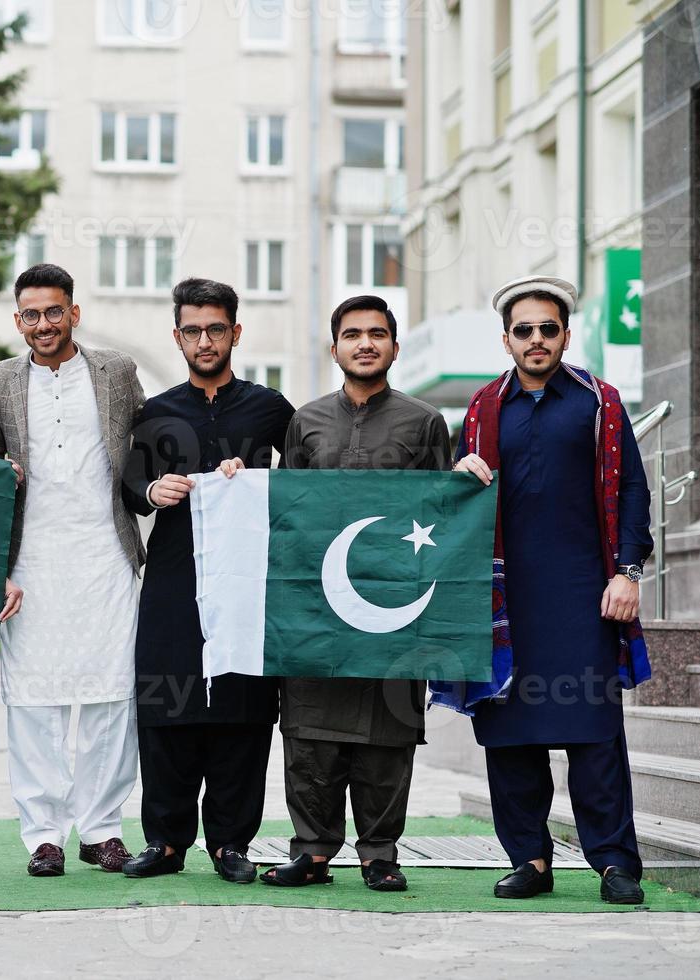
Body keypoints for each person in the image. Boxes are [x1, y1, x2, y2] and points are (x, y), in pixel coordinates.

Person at [439, 275, 651, 905]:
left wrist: (627, 573)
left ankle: (614, 863)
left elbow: (634, 491)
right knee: (508, 731)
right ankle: (529, 859)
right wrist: (456, 475)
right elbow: (450, 504)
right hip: (503, 600)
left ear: (565, 334)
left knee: (593, 731)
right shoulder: (480, 410)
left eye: (547, 329)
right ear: (506, 339)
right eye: (523, 330)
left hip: (585, 592)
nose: (536, 340)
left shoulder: (601, 402)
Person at [252, 294, 450, 892]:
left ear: (395, 345)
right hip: (317, 608)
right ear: (333, 346)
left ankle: (380, 854)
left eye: (378, 334)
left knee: (387, 732)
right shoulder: (304, 422)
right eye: (353, 334)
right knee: (309, 731)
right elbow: (290, 515)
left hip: (392, 605)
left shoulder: (424, 423)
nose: (366, 343)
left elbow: (443, 517)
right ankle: (312, 852)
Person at [119, 277, 295, 880]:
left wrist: (250, 478)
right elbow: (128, 488)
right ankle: (166, 842)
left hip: (248, 582)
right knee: (168, 701)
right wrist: (153, 488)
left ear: (235, 333)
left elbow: (302, 488)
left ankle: (229, 843)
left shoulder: (270, 409)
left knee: (241, 708)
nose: (204, 340)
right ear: (177, 337)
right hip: (173, 577)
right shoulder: (156, 412)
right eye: (192, 330)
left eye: (215, 328)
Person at [0, 263, 143, 877]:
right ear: (17, 321)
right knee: (33, 701)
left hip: (105, 554)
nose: (43, 325)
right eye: (30, 315)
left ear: (74, 313)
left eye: (54, 312)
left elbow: (148, 448)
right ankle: (43, 834)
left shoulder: (116, 372)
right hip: (30, 561)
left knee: (109, 695)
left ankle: (102, 829)